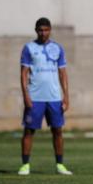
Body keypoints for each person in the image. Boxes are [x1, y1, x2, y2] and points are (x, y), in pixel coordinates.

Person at [18, 17, 72, 175]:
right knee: (29, 131)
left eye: (46, 30)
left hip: (54, 97)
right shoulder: (29, 48)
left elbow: (63, 73)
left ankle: (60, 164)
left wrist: (66, 96)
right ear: (36, 30)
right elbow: (23, 74)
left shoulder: (58, 48)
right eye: (40, 30)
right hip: (35, 97)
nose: (43, 33)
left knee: (58, 131)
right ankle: (25, 164)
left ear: (50, 30)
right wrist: (25, 95)